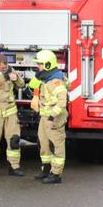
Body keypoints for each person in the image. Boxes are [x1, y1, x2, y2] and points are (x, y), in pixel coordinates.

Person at [28, 49, 68, 185]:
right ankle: (46, 169)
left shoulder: (56, 81)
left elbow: (62, 102)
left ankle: (56, 174)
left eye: (39, 64)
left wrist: (52, 116)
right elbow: (32, 88)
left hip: (53, 119)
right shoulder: (45, 78)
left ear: (47, 65)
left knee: (57, 146)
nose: (37, 66)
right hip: (45, 117)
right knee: (43, 144)